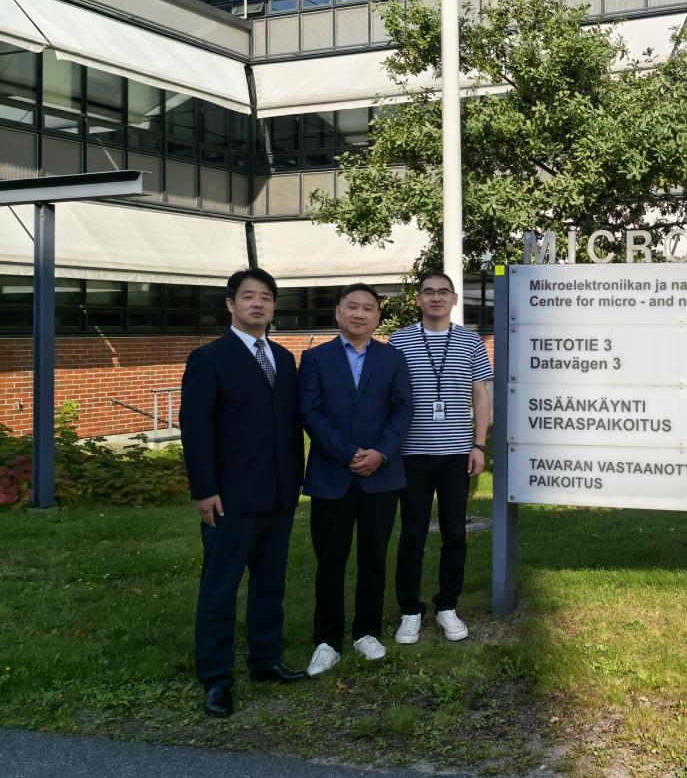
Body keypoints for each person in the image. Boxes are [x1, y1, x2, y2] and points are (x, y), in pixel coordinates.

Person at [180, 267, 307, 718]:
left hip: (279, 494)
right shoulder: (208, 359)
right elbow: (195, 429)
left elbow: (288, 425)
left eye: (266, 297)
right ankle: (216, 678)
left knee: (270, 584)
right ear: (231, 304)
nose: (258, 304)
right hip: (230, 497)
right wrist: (205, 490)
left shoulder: (284, 359)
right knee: (220, 588)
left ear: (273, 308)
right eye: (249, 296)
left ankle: (266, 660)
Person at [299, 284, 414, 677]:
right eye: (353, 307)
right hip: (332, 475)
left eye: (368, 308)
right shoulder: (315, 359)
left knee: (374, 558)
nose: (360, 314)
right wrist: (347, 453)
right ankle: (327, 641)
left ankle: (366, 631)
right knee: (330, 560)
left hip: (381, 476)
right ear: (338, 312)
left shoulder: (393, 358)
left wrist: (380, 453)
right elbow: (310, 412)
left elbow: (403, 409)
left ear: (377, 316)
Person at [390, 272, 492, 643]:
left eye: (443, 292)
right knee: (412, 534)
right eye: (428, 292)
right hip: (411, 453)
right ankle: (409, 611)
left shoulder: (470, 341)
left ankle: (447, 606)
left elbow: (480, 395)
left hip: (456, 454)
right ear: (418, 299)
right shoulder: (399, 340)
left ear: (454, 299)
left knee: (454, 533)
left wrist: (479, 445)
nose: (436, 297)